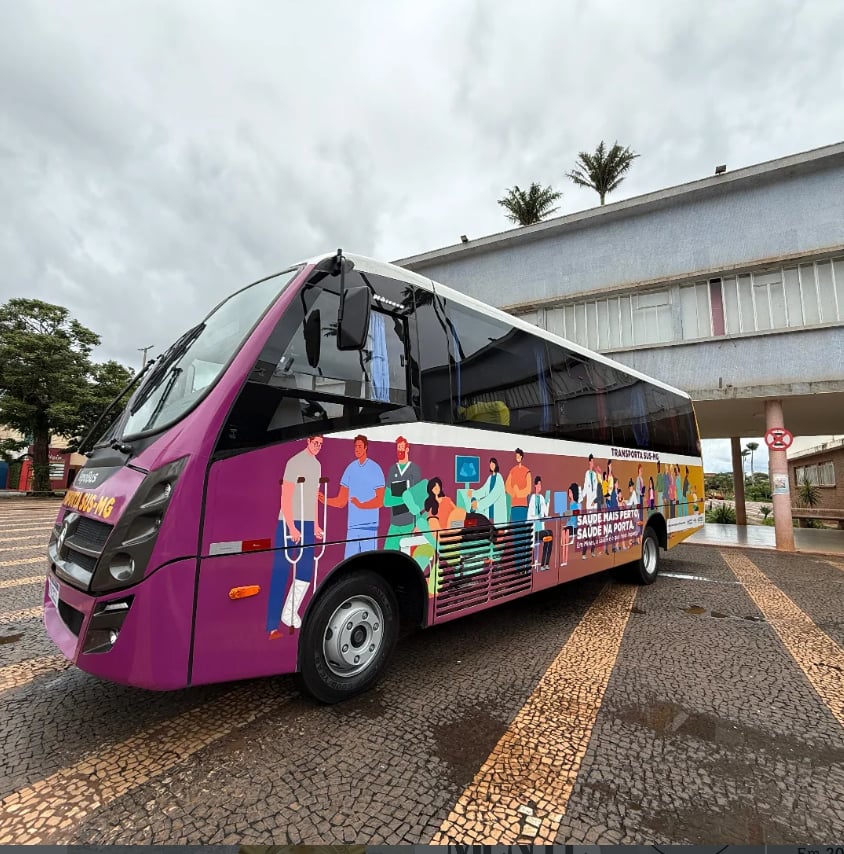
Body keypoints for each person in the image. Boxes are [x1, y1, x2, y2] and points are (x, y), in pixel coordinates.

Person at [267, 435, 325, 637]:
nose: (317, 446)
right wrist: (291, 526)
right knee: (281, 572)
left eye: (320, 444)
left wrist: (316, 525)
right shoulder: (294, 462)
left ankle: (289, 613)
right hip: (288, 522)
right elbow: (286, 496)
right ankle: (272, 626)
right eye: (315, 443)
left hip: (308, 523)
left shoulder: (317, 466)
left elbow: (313, 500)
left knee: (305, 571)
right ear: (307, 442)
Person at [321, 435, 385, 557]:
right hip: (352, 528)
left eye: (360, 446)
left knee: (368, 566)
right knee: (349, 567)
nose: (357, 449)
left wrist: (361, 505)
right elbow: (341, 501)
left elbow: (380, 501)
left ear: (366, 448)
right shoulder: (350, 469)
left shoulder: (375, 469)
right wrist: (325, 500)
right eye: (355, 446)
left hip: (369, 527)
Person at [383, 436, 423, 550]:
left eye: (401, 447)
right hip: (394, 524)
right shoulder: (392, 470)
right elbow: (386, 501)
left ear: (407, 449)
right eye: (398, 448)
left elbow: (418, 499)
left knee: (405, 557)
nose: (399, 451)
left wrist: (418, 523)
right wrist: (406, 498)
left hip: (409, 524)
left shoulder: (414, 469)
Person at [468, 457, 507, 523]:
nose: (491, 466)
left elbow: (494, 495)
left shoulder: (499, 478)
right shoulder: (490, 478)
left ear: (496, 465)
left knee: (497, 528)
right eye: (490, 464)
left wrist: (478, 504)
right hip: (490, 508)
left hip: (497, 510)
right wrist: (473, 493)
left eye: (493, 464)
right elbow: (484, 490)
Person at [527, 476, 553, 570]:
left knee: (550, 533)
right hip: (534, 530)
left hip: (540, 529)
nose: (540, 486)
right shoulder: (532, 498)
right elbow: (531, 515)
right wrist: (538, 517)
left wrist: (547, 501)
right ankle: (542, 564)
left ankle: (545, 564)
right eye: (538, 484)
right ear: (535, 485)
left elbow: (545, 513)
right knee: (547, 533)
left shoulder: (542, 498)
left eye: (541, 485)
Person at [505, 448, 531, 523]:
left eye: (518, 456)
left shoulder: (527, 471)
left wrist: (518, 492)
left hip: (523, 505)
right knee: (515, 528)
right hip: (514, 505)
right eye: (516, 456)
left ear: (521, 457)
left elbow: (528, 489)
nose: (517, 458)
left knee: (522, 528)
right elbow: (507, 485)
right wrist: (513, 493)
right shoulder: (512, 471)